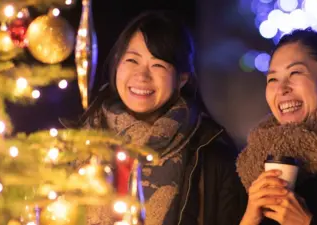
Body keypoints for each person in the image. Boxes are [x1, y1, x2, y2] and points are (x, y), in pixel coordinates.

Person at [65, 11, 246, 225]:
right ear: (116, 64)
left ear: (182, 78)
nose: (142, 76)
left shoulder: (213, 157)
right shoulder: (77, 144)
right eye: (132, 60)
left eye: (158, 65)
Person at [237, 28, 317, 225]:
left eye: (295, 73)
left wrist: (306, 222)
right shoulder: (253, 163)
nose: (281, 89)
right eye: (273, 79)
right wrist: (250, 218)